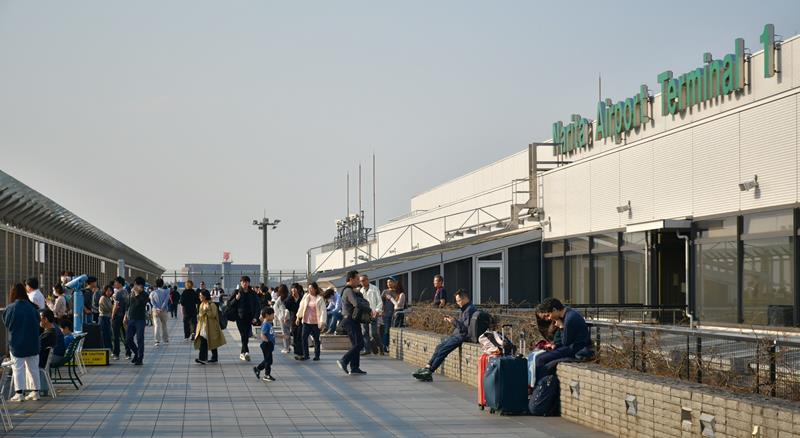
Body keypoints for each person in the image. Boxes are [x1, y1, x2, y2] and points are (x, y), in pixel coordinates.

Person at [413, 289, 475, 382]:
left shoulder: (469, 310)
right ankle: (427, 367)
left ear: (465, 299)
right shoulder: (465, 309)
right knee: (439, 347)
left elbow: (465, 329)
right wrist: (453, 320)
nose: (458, 303)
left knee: (443, 350)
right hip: (457, 335)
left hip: (461, 336)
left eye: (459, 300)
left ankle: (429, 372)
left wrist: (453, 321)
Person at [534, 298, 591, 382]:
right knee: (538, 356)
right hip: (571, 347)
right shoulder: (566, 315)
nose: (549, 318)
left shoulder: (569, 319)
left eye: (548, 315)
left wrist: (561, 327)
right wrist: (555, 344)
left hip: (576, 350)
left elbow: (565, 342)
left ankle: (542, 387)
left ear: (554, 310)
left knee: (541, 359)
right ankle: (540, 386)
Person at [3, 283, 42, 402]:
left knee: (18, 369)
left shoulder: (10, 308)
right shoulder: (32, 307)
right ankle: (36, 392)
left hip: (17, 342)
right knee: (33, 368)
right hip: (32, 342)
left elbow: (7, 323)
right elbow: (38, 321)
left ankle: (19, 393)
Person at [336, 270, 367, 375]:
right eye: (357, 279)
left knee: (356, 343)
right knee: (360, 343)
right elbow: (356, 303)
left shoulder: (350, 290)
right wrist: (369, 309)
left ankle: (354, 367)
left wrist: (358, 293)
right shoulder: (348, 291)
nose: (359, 281)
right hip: (350, 320)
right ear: (351, 279)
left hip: (352, 320)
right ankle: (344, 360)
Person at [231, 276, 260, 361]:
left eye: (246, 282)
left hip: (249, 318)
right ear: (240, 283)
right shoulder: (236, 292)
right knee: (243, 334)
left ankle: (243, 353)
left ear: (249, 283)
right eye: (243, 282)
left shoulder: (252, 293)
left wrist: (255, 317)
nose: (245, 283)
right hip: (239, 318)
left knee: (246, 335)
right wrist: (236, 299)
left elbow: (257, 306)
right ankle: (246, 352)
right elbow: (230, 304)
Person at [296, 282, 327, 361]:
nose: (309, 290)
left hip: (316, 323)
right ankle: (306, 355)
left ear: (315, 289)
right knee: (304, 337)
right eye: (308, 288)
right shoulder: (306, 297)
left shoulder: (320, 298)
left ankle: (317, 355)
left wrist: (322, 322)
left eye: (311, 288)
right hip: (306, 321)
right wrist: (298, 317)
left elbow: (323, 311)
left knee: (316, 339)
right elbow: (301, 307)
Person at [194, 289, 226, 364]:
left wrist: (207, 310)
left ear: (205, 296)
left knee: (211, 342)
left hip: (211, 327)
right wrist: (202, 313)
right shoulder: (201, 304)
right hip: (202, 326)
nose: (199, 297)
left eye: (201, 296)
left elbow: (213, 315)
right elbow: (200, 314)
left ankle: (209, 358)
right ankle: (206, 358)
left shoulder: (212, 304)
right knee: (204, 342)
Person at [124, 277, 150, 365]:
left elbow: (140, 303)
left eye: (137, 285)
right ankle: (136, 353)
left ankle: (140, 358)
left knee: (140, 339)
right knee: (128, 339)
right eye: (135, 285)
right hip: (131, 319)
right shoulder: (131, 294)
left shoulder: (145, 294)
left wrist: (137, 294)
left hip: (140, 320)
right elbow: (128, 305)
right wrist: (125, 316)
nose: (135, 286)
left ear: (141, 286)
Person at [358, 274, 382, 355]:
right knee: (364, 332)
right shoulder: (360, 291)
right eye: (361, 281)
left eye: (364, 280)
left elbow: (379, 301)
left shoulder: (374, 288)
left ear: (368, 280)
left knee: (374, 333)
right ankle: (367, 349)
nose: (362, 282)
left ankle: (380, 346)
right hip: (364, 314)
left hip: (373, 313)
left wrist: (377, 311)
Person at [253, 307, 276, 381]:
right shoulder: (266, 324)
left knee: (268, 360)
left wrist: (282, 336)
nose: (273, 316)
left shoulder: (268, 323)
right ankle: (267, 375)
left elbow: (272, 333)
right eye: (272, 314)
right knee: (268, 361)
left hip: (269, 345)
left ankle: (258, 369)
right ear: (267, 315)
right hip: (266, 345)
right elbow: (262, 334)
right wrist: (266, 341)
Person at [111, 277, 131, 361]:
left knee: (116, 336)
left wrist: (112, 315)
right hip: (125, 316)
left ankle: (116, 353)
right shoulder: (126, 292)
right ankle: (128, 353)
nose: (114, 284)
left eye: (115, 283)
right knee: (125, 335)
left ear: (119, 283)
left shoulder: (117, 294)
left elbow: (116, 306)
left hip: (117, 316)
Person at [149, 278, 170, 347]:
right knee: (164, 325)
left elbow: (152, 302)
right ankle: (166, 339)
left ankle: (157, 340)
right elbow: (166, 301)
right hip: (164, 310)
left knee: (156, 325)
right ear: (162, 284)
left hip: (155, 311)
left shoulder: (152, 293)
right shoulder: (166, 291)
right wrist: (161, 308)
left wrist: (157, 308)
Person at [287, 283, 305, 358]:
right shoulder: (290, 298)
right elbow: (287, 306)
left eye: (295, 290)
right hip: (293, 319)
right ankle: (297, 353)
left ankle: (301, 353)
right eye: (292, 290)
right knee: (295, 336)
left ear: (298, 290)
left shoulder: (302, 298)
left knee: (300, 336)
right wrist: (291, 297)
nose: (293, 292)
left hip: (301, 319)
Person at [273, 284, 291, 354]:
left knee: (285, 333)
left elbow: (275, 307)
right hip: (289, 317)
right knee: (288, 332)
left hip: (282, 318)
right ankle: (288, 347)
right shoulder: (289, 297)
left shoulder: (280, 299)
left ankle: (286, 347)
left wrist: (279, 315)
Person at [98, 285, 114, 350]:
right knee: (104, 333)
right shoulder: (103, 298)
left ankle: (109, 347)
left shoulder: (108, 298)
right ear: (104, 291)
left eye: (110, 291)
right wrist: (113, 307)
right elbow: (107, 309)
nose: (109, 292)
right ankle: (105, 347)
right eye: (107, 291)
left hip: (107, 318)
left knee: (108, 333)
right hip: (103, 318)